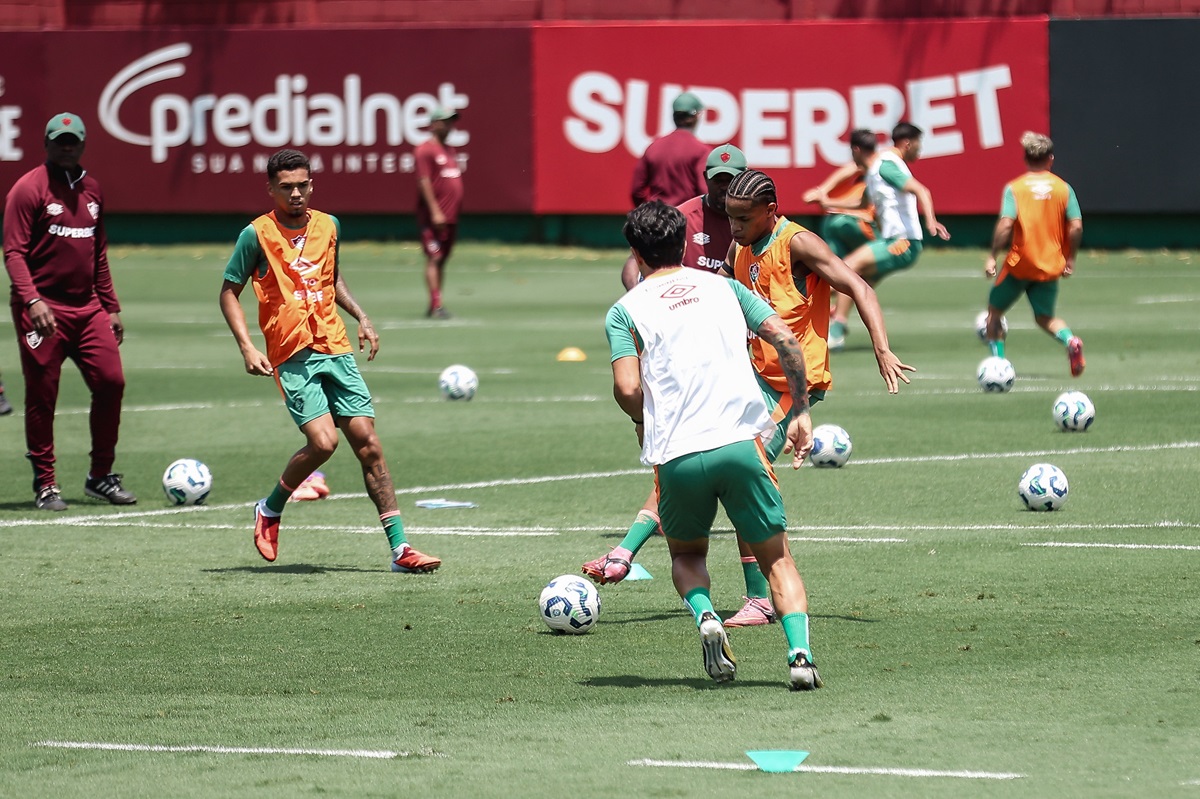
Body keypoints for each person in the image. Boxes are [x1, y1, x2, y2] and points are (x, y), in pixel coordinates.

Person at [608, 199, 822, 690]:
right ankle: (800, 657)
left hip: (678, 454)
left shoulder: (624, 311)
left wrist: (647, 417)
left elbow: (625, 388)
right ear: (684, 243)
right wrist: (802, 410)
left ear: (635, 255)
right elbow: (786, 340)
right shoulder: (726, 286)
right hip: (741, 446)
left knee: (686, 557)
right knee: (778, 560)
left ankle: (706, 616)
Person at [220, 148, 440, 573]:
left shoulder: (329, 225)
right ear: (270, 189)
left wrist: (361, 316)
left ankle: (401, 550)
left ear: (312, 185)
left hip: (334, 346)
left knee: (369, 446)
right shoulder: (256, 235)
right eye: (286, 187)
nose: (296, 193)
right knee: (324, 443)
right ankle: (270, 508)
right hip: (291, 352)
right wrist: (247, 347)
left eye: (303, 185)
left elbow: (330, 277)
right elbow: (229, 290)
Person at [595, 145, 780, 628]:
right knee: (711, 463)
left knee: (714, 466)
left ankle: (758, 598)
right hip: (711, 362)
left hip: (761, 369)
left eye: (732, 180)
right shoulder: (680, 219)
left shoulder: (763, 224)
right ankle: (625, 552)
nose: (724, 190)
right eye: (717, 180)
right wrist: (643, 305)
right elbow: (636, 269)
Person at [3, 112, 136, 511]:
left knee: (112, 382)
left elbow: (98, 254)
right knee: (43, 395)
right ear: (46, 143)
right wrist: (32, 300)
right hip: (42, 308)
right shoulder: (28, 190)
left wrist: (110, 307)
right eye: (59, 140)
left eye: (72, 140)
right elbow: (13, 253)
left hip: (87, 307)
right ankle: (45, 483)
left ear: (82, 144)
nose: (66, 146)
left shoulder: (92, 189)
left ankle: (100, 477)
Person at [826, 122, 950, 351]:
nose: (919, 150)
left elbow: (921, 190)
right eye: (919, 145)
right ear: (907, 143)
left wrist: (931, 220)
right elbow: (861, 203)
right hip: (893, 241)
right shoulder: (878, 168)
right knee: (856, 283)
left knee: (844, 272)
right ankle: (837, 329)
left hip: (903, 242)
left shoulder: (886, 165)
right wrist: (827, 202)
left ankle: (802, 310)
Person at [983, 132, 1085, 376]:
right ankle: (1070, 340)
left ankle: (998, 365)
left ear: (1025, 158)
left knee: (994, 312)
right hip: (1049, 266)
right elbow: (1077, 226)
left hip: (1020, 264)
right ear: (1050, 158)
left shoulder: (1015, 188)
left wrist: (992, 255)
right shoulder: (1064, 188)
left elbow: (1006, 224)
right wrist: (1070, 258)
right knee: (1045, 317)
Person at [414, 106, 464, 319]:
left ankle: (436, 303)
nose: (450, 125)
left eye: (451, 121)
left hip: (450, 215)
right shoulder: (425, 150)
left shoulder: (449, 149)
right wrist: (435, 211)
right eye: (445, 121)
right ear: (434, 124)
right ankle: (436, 305)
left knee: (442, 258)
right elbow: (423, 181)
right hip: (434, 216)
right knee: (434, 257)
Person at [802, 129, 878, 259]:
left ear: (856, 150)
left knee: (834, 224)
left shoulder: (878, 169)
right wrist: (823, 191)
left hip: (873, 230)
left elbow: (862, 204)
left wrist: (826, 200)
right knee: (851, 269)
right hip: (867, 228)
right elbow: (852, 169)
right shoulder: (874, 165)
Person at [629, 92, 709, 208]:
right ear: (695, 117)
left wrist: (649, 212)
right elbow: (704, 191)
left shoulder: (653, 147)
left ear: (674, 117)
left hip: (657, 220)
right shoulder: (701, 151)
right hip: (685, 220)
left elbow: (636, 190)